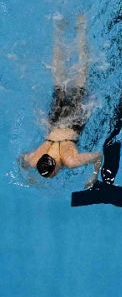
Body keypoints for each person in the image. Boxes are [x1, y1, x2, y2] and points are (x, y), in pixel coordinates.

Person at [21, 14, 100, 179]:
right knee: (58, 75)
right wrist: (28, 176)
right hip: (54, 120)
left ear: (56, 168)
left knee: (82, 70)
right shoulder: (35, 158)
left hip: (73, 120)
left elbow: (99, 156)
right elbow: (22, 160)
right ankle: (59, 28)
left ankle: (82, 27)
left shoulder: (70, 160)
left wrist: (93, 177)